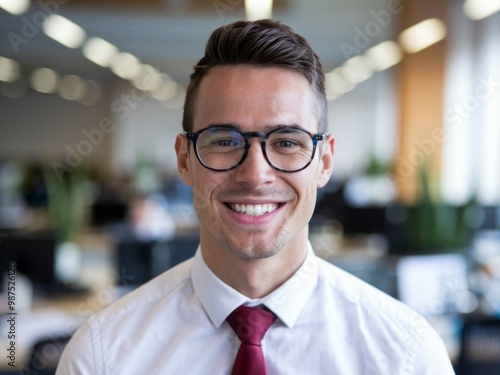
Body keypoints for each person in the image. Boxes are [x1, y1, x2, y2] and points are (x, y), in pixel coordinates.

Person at [56, 19, 455, 374]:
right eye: (225, 140)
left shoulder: (407, 356)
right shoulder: (102, 356)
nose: (255, 173)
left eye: (286, 141)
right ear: (184, 159)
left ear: (324, 161)